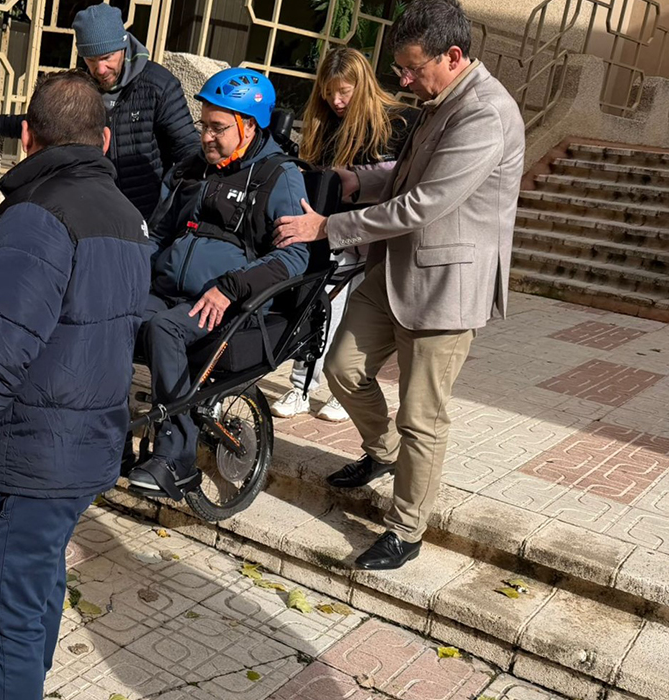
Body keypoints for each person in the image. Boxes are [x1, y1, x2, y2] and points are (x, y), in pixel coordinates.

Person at [274, 0, 524, 570]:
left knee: (422, 416)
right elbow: (405, 172)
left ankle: (406, 529)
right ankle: (381, 453)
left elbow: (424, 203)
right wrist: (357, 177)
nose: (403, 80)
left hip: (445, 289)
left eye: (412, 69)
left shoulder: (485, 114)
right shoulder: (438, 101)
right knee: (340, 369)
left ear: (453, 56)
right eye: (402, 69)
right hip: (392, 270)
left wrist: (328, 226)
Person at [0, 71, 150, 700]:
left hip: (29, 457)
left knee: (6, 614)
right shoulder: (127, 217)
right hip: (82, 447)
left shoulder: (34, 216)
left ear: (26, 137)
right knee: (39, 581)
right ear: (103, 140)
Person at [125, 67, 311, 500]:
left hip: (233, 303)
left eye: (218, 128)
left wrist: (230, 287)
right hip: (169, 288)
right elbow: (158, 233)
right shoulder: (193, 167)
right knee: (114, 317)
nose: (206, 136)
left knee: (163, 329)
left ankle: (178, 458)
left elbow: (293, 257)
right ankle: (113, 442)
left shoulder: (278, 178)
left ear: (249, 127)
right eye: (203, 124)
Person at [271, 47, 419, 423]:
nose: (335, 101)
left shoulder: (400, 123)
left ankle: (345, 391)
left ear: (363, 86)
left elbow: (403, 187)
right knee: (320, 309)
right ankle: (303, 384)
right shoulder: (325, 125)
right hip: (331, 233)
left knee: (361, 321)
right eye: (329, 91)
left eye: (344, 92)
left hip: (378, 239)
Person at [0, 3, 197, 219]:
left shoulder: (159, 85)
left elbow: (188, 151)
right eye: (92, 60)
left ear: (123, 45)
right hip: (89, 207)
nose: (101, 69)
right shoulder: (82, 84)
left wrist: (172, 207)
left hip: (143, 214)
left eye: (107, 57)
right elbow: (48, 121)